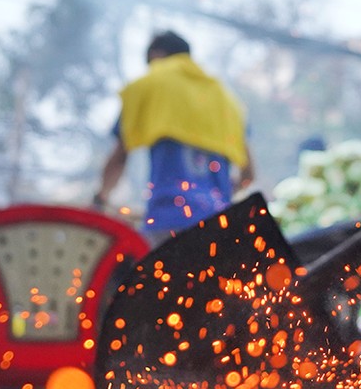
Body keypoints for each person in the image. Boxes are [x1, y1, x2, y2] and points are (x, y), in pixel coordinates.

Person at [96, 31, 252, 238]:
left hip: (168, 220)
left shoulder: (150, 85)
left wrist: (101, 199)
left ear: (155, 56)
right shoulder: (227, 100)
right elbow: (248, 176)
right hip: (222, 226)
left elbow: (119, 157)